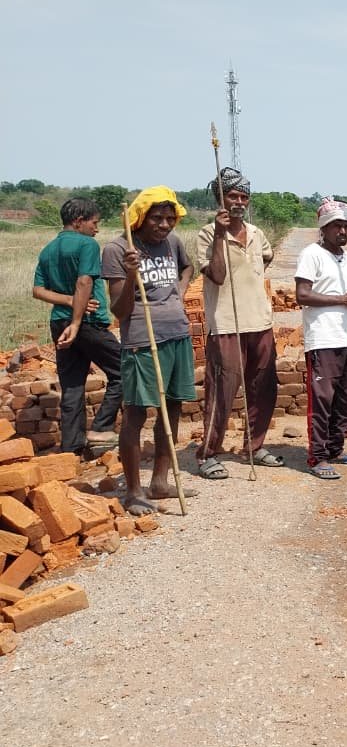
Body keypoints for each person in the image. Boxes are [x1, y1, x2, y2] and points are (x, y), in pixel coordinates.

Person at [101, 188, 197, 516]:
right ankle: (134, 491)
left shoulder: (173, 243)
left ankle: (160, 481)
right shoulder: (118, 249)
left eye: (171, 218)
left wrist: (178, 295)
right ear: (140, 215)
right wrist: (131, 274)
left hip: (177, 335)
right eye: (157, 218)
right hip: (143, 341)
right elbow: (120, 310)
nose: (165, 225)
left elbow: (188, 268)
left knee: (172, 410)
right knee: (137, 414)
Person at [196, 168, 283, 479]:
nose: (239, 201)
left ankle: (254, 445)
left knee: (263, 386)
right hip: (226, 323)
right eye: (233, 196)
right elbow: (217, 276)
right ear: (221, 199)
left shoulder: (257, 233)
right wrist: (221, 234)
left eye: (244, 197)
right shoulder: (208, 234)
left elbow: (266, 259)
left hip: (259, 320)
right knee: (222, 389)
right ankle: (208, 453)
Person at [32, 198, 122, 457]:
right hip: (86, 324)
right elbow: (84, 282)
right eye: (94, 223)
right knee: (125, 369)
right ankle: (102, 427)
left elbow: (38, 291)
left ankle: (71, 451)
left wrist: (68, 303)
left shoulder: (48, 249)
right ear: (79, 221)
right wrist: (77, 319)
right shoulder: (87, 244)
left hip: (58, 321)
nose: (97, 229)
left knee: (71, 386)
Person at [295, 198, 347, 480]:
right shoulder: (311, 254)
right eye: (338, 226)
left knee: (346, 399)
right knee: (322, 399)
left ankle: (336, 448)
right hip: (322, 338)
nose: (343, 232)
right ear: (324, 227)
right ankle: (317, 456)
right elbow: (302, 295)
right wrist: (342, 298)